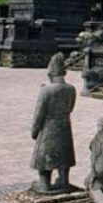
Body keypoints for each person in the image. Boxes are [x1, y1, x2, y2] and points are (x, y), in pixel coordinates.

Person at [30, 53, 76, 193]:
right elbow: (70, 108)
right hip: (64, 125)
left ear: (50, 73)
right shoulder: (71, 89)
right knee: (64, 151)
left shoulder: (46, 90)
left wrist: (35, 130)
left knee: (45, 154)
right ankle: (64, 180)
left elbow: (39, 113)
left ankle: (45, 183)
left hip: (48, 126)